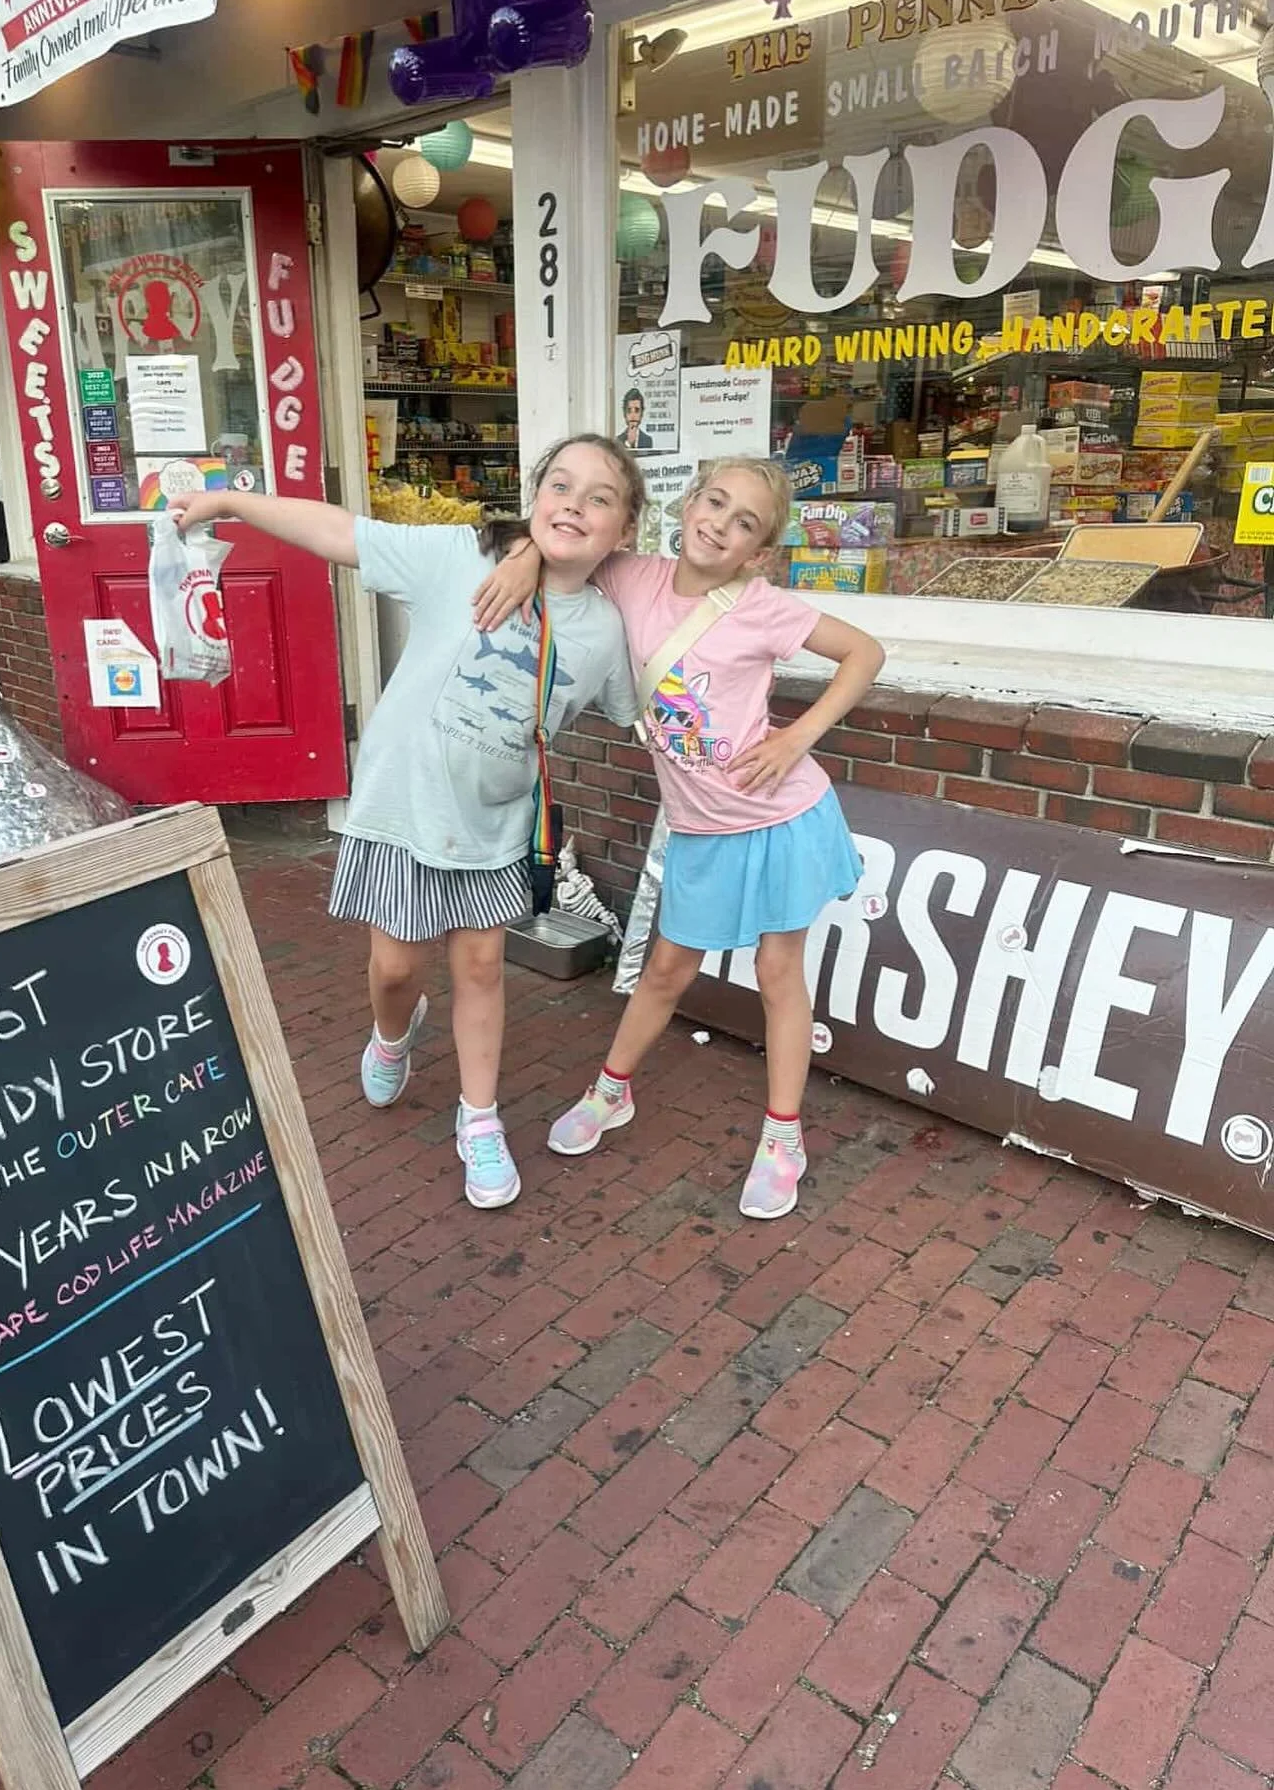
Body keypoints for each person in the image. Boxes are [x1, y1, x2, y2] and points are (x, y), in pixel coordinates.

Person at [170, 437, 641, 1211]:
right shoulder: (458, 557)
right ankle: (394, 1033)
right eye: (561, 486)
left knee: (483, 969)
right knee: (396, 969)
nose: (575, 506)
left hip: (492, 828)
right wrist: (229, 504)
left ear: (623, 532)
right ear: (533, 497)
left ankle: (479, 1119)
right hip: (401, 810)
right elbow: (338, 531)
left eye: (600, 498)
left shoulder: (605, 631)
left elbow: (644, 687)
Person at [474, 457, 885, 1220]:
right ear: (687, 503)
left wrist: (797, 740)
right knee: (664, 970)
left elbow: (866, 653)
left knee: (777, 970)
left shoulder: (762, 607)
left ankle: (783, 1138)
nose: (719, 525)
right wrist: (527, 552)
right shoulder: (634, 577)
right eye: (714, 503)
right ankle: (611, 1092)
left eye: (743, 524)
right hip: (701, 828)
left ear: (757, 552)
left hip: (783, 818)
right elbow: (568, 543)